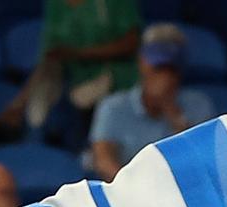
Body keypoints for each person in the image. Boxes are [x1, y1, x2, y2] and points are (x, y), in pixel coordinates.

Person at [0, 0, 141, 158]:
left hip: (119, 83)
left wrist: (80, 53)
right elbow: (49, 57)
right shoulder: (56, 4)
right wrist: (18, 104)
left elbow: (132, 42)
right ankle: (27, 138)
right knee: (49, 99)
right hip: (71, 85)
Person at [88, 23, 215, 181]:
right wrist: (138, 190)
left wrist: (172, 111)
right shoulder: (113, 107)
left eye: (170, 69)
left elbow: (202, 162)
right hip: (126, 193)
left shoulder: (198, 105)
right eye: (157, 68)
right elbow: (103, 162)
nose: (164, 76)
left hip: (180, 190)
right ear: (142, 63)